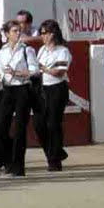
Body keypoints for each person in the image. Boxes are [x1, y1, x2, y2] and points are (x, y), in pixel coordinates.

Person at [0, 21, 38, 176]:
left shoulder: (27, 50)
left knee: (20, 128)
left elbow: (34, 71)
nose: (18, 33)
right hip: (7, 89)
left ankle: (18, 166)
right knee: (0, 127)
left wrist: (17, 73)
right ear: (6, 34)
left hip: (22, 89)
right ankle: (8, 160)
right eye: (14, 31)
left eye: (19, 30)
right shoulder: (2, 51)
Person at [34, 20, 72, 172]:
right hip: (43, 88)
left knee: (53, 123)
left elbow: (59, 72)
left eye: (44, 33)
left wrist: (43, 68)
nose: (41, 36)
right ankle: (57, 152)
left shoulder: (62, 51)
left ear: (52, 34)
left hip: (57, 89)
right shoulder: (42, 50)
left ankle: (54, 160)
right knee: (39, 124)